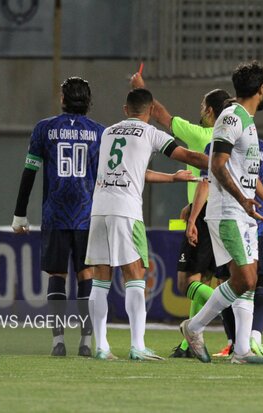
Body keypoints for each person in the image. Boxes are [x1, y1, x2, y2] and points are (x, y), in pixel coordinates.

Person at [180, 61, 263, 364]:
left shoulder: (247, 121)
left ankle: (242, 351)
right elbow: (217, 165)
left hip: (245, 212)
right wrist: (242, 199)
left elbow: (246, 173)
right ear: (262, 89)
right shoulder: (232, 117)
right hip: (228, 211)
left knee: (250, 280)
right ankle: (194, 327)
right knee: (244, 279)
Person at [85, 88, 209, 361]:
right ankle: (137, 346)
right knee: (135, 276)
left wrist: (172, 178)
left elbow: (133, 170)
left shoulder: (108, 132)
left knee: (100, 280)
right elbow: (188, 156)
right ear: (151, 110)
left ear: (125, 109)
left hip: (99, 210)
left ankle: (101, 347)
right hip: (126, 212)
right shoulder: (150, 133)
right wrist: (219, 163)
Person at [130, 71, 232, 358]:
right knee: (204, 279)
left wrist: (141, 89)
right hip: (224, 213)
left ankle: (234, 310)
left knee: (186, 282)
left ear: (210, 112)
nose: (200, 112)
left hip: (205, 215)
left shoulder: (201, 135)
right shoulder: (233, 139)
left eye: (202, 107)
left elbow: (161, 116)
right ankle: (190, 344)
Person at [12, 77, 105, 357]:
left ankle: (58, 341)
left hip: (55, 214)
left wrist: (19, 213)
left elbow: (30, 172)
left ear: (62, 99)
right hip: (88, 215)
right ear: (89, 101)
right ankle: (86, 342)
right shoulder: (100, 132)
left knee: (57, 275)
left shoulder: (44, 129)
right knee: (86, 274)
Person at [197, 139, 263, 360]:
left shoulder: (216, 145)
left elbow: (205, 184)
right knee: (257, 283)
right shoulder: (262, 147)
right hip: (255, 225)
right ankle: (252, 340)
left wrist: (194, 215)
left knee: (231, 281)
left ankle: (235, 343)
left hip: (231, 220)